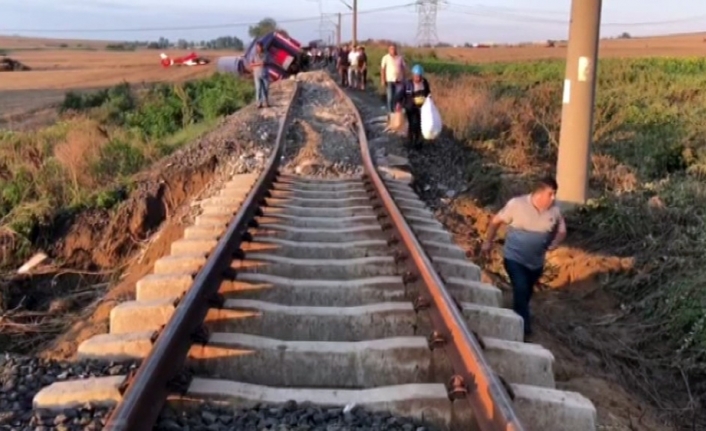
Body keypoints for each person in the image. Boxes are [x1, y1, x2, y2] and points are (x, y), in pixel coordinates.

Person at [481, 177, 567, 340]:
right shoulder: (517, 204)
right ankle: (522, 329)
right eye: (551, 194)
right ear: (539, 193)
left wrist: (555, 242)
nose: (553, 198)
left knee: (525, 292)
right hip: (514, 258)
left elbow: (562, 230)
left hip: (536, 263)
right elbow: (496, 221)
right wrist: (487, 242)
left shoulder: (554, 210)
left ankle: (517, 314)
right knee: (520, 287)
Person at [394, 64, 430, 148]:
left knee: (419, 125)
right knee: (412, 124)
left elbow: (428, 93)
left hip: (422, 108)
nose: (417, 78)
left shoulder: (424, 83)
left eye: (419, 76)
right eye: (416, 76)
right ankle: (410, 140)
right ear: (413, 75)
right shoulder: (407, 84)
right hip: (410, 107)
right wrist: (398, 103)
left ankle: (418, 141)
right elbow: (400, 94)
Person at [380, 44, 406, 115]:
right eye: (391, 49)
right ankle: (390, 112)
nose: (393, 50)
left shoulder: (400, 58)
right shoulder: (385, 58)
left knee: (397, 97)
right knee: (390, 97)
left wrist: (404, 78)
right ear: (389, 50)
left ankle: (396, 111)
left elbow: (403, 68)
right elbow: (383, 69)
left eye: (394, 49)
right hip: (390, 80)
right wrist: (383, 79)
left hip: (399, 80)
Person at [249, 42, 270, 108]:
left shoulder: (266, 54)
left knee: (265, 89)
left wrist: (257, 64)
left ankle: (265, 102)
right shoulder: (254, 54)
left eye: (259, 47)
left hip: (265, 74)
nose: (258, 48)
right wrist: (258, 64)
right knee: (258, 89)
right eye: (257, 47)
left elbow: (264, 63)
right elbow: (251, 64)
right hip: (257, 74)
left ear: (262, 46)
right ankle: (258, 103)